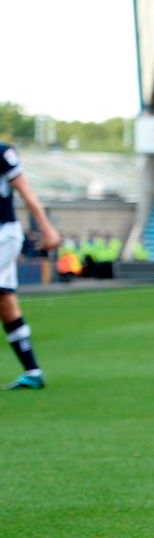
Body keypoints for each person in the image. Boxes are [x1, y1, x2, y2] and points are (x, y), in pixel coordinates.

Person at [1, 142, 61, 390]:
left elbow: (26, 192)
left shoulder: (2, 153)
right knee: (4, 301)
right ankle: (33, 371)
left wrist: (47, 228)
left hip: (3, 234)